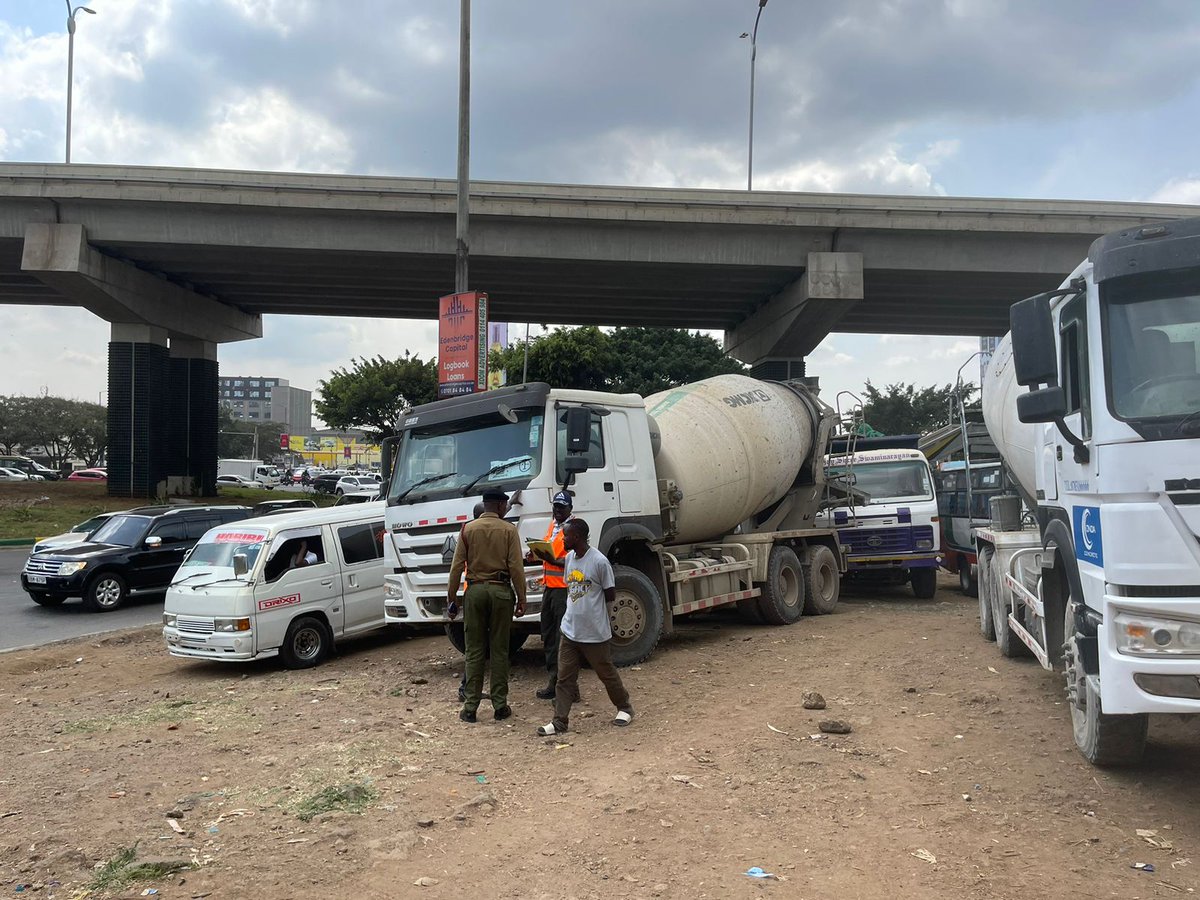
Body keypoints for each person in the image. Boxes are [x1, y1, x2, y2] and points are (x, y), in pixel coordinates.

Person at [536, 519, 634, 736]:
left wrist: (603, 621)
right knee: (564, 678)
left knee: (606, 672)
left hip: (594, 633)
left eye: (567, 535)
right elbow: (571, 589)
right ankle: (559, 721)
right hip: (570, 630)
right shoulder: (570, 558)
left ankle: (624, 708)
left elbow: (610, 595)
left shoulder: (599, 562)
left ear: (577, 537)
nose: (563, 539)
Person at [447, 489, 527, 723]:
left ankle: (470, 707)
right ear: (502, 506)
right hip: (501, 592)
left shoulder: (467, 529)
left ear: (485, 505)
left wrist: (452, 598)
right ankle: (500, 705)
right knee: (500, 650)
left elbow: (456, 567)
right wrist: (521, 598)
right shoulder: (509, 530)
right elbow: (516, 568)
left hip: (475, 591)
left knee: (474, 650)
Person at [528, 490, 575, 700]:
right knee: (548, 636)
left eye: (561, 507)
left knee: (562, 640)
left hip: (563, 590)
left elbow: (573, 559)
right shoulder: (554, 526)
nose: (557, 510)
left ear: (570, 509)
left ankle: (568, 688)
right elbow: (551, 552)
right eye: (555, 506)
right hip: (550, 588)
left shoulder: (573, 529)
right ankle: (554, 682)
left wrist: (551, 558)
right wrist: (536, 554)